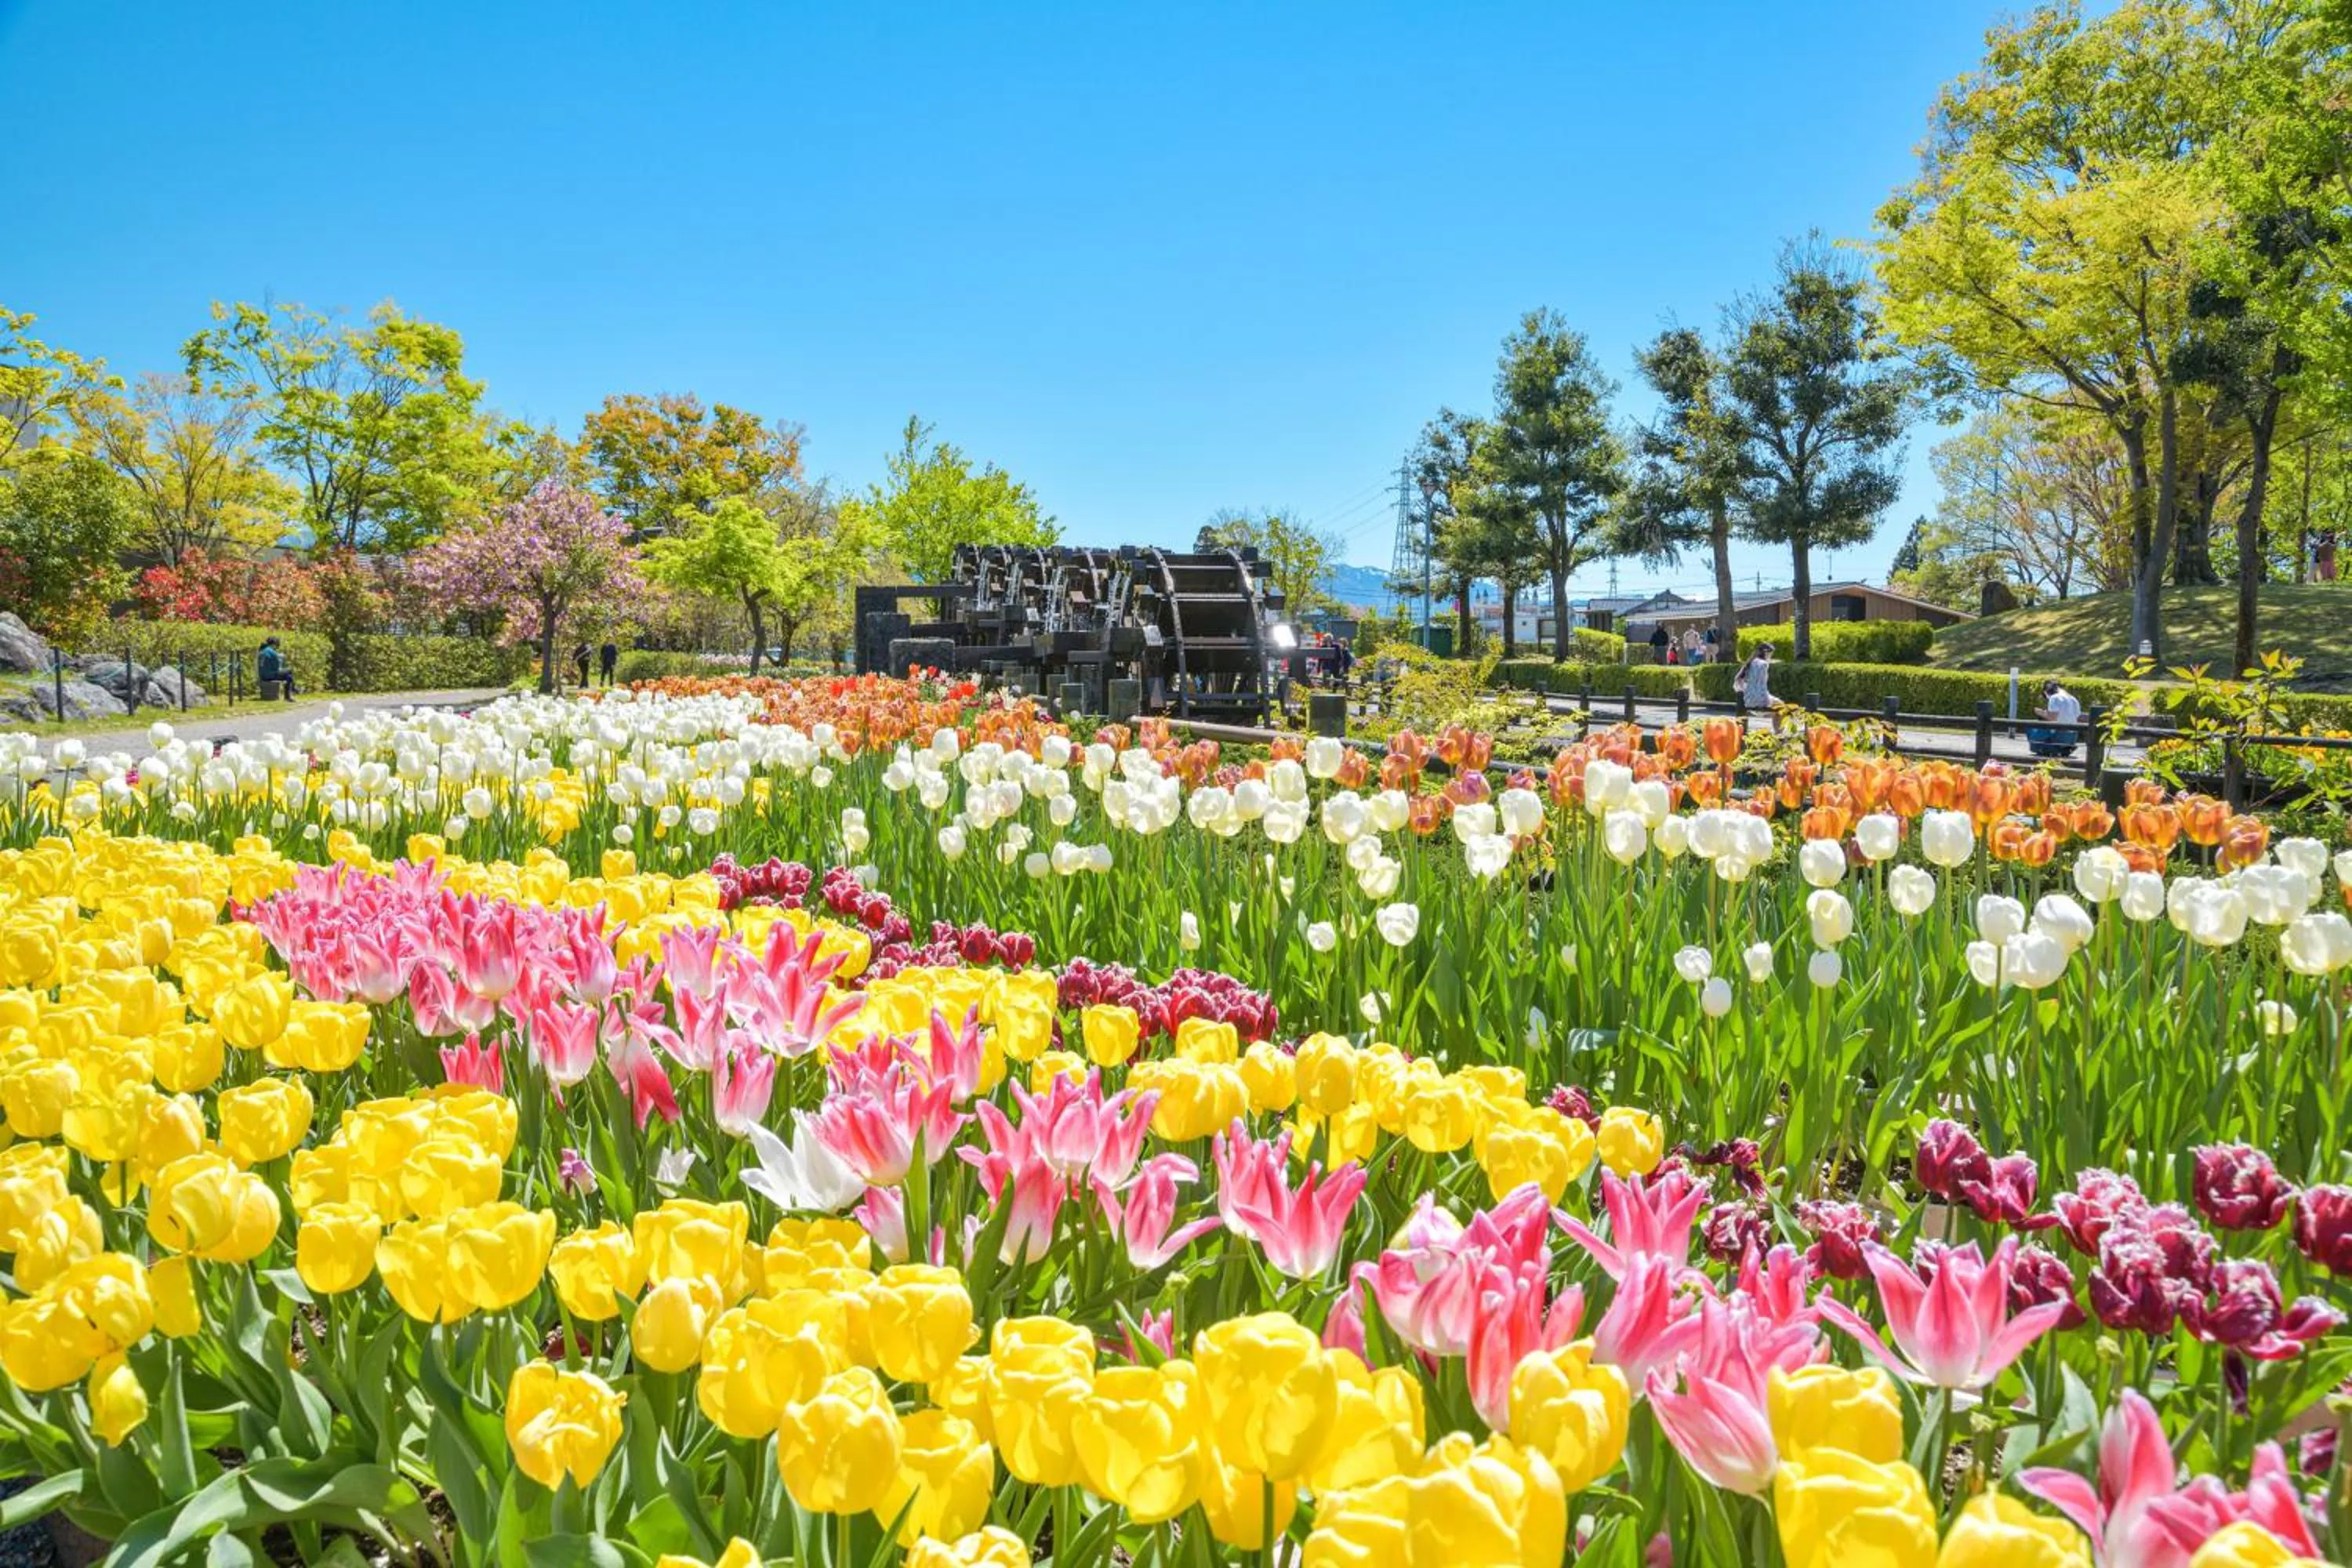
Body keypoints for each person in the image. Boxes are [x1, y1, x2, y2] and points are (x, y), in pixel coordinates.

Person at [2028, 677, 2082, 759]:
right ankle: (2064, 748)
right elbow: (2077, 717)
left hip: (2059, 735)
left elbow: (2053, 718)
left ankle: (2044, 748)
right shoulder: (2073, 699)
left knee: (2030, 727)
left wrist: (2040, 712)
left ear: (2047, 691)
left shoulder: (2054, 698)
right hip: (2072, 737)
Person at [1738, 641, 1774, 720]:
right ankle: (1778, 729)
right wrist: (1766, 701)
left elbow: (1738, 680)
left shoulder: (1750, 663)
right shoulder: (1764, 665)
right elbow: (1762, 686)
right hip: (1760, 700)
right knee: (1782, 707)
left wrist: (1746, 691)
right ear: (1766, 653)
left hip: (1748, 699)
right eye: (1771, 654)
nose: (1771, 657)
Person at [256, 637, 296, 701]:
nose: (277, 647)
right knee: (289, 671)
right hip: (270, 676)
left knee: (289, 676)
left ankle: (290, 693)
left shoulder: (262, 651)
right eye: (277, 645)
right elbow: (277, 668)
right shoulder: (272, 652)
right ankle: (289, 694)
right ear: (274, 644)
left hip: (262, 676)